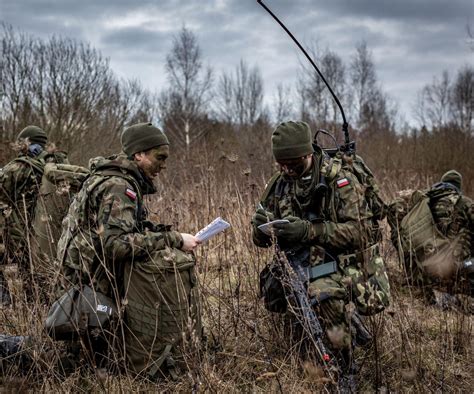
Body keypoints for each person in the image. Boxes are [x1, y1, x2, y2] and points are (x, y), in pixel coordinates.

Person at [55, 122, 202, 378]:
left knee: (86, 362)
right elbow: (115, 246)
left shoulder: (114, 178)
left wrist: (157, 231)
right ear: (139, 155)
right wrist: (174, 239)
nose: (163, 165)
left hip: (84, 278)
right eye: (159, 157)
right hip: (87, 285)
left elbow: (122, 229)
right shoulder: (119, 187)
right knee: (77, 367)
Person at [251, 121, 390, 387]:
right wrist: (260, 228)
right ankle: (326, 331)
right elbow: (259, 239)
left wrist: (309, 231)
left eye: (292, 163)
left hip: (341, 262)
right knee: (273, 293)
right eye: (280, 163)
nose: (285, 170)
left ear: (308, 155)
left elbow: (362, 233)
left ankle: (346, 365)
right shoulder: (279, 183)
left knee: (322, 293)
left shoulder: (339, 180)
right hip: (297, 262)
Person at [0, 125, 68, 304]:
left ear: (26, 143)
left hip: (23, 235)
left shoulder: (18, 167)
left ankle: (15, 308)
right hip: (55, 236)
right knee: (43, 279)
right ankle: (46, 311)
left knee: (28, 278)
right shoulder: (59, 165)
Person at [389, 170, 473, 309]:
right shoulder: (464, 202)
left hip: (424, 270)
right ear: (458, 186)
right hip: (451, 268)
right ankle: (452, 295)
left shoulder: (422, 202)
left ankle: (428, 296)